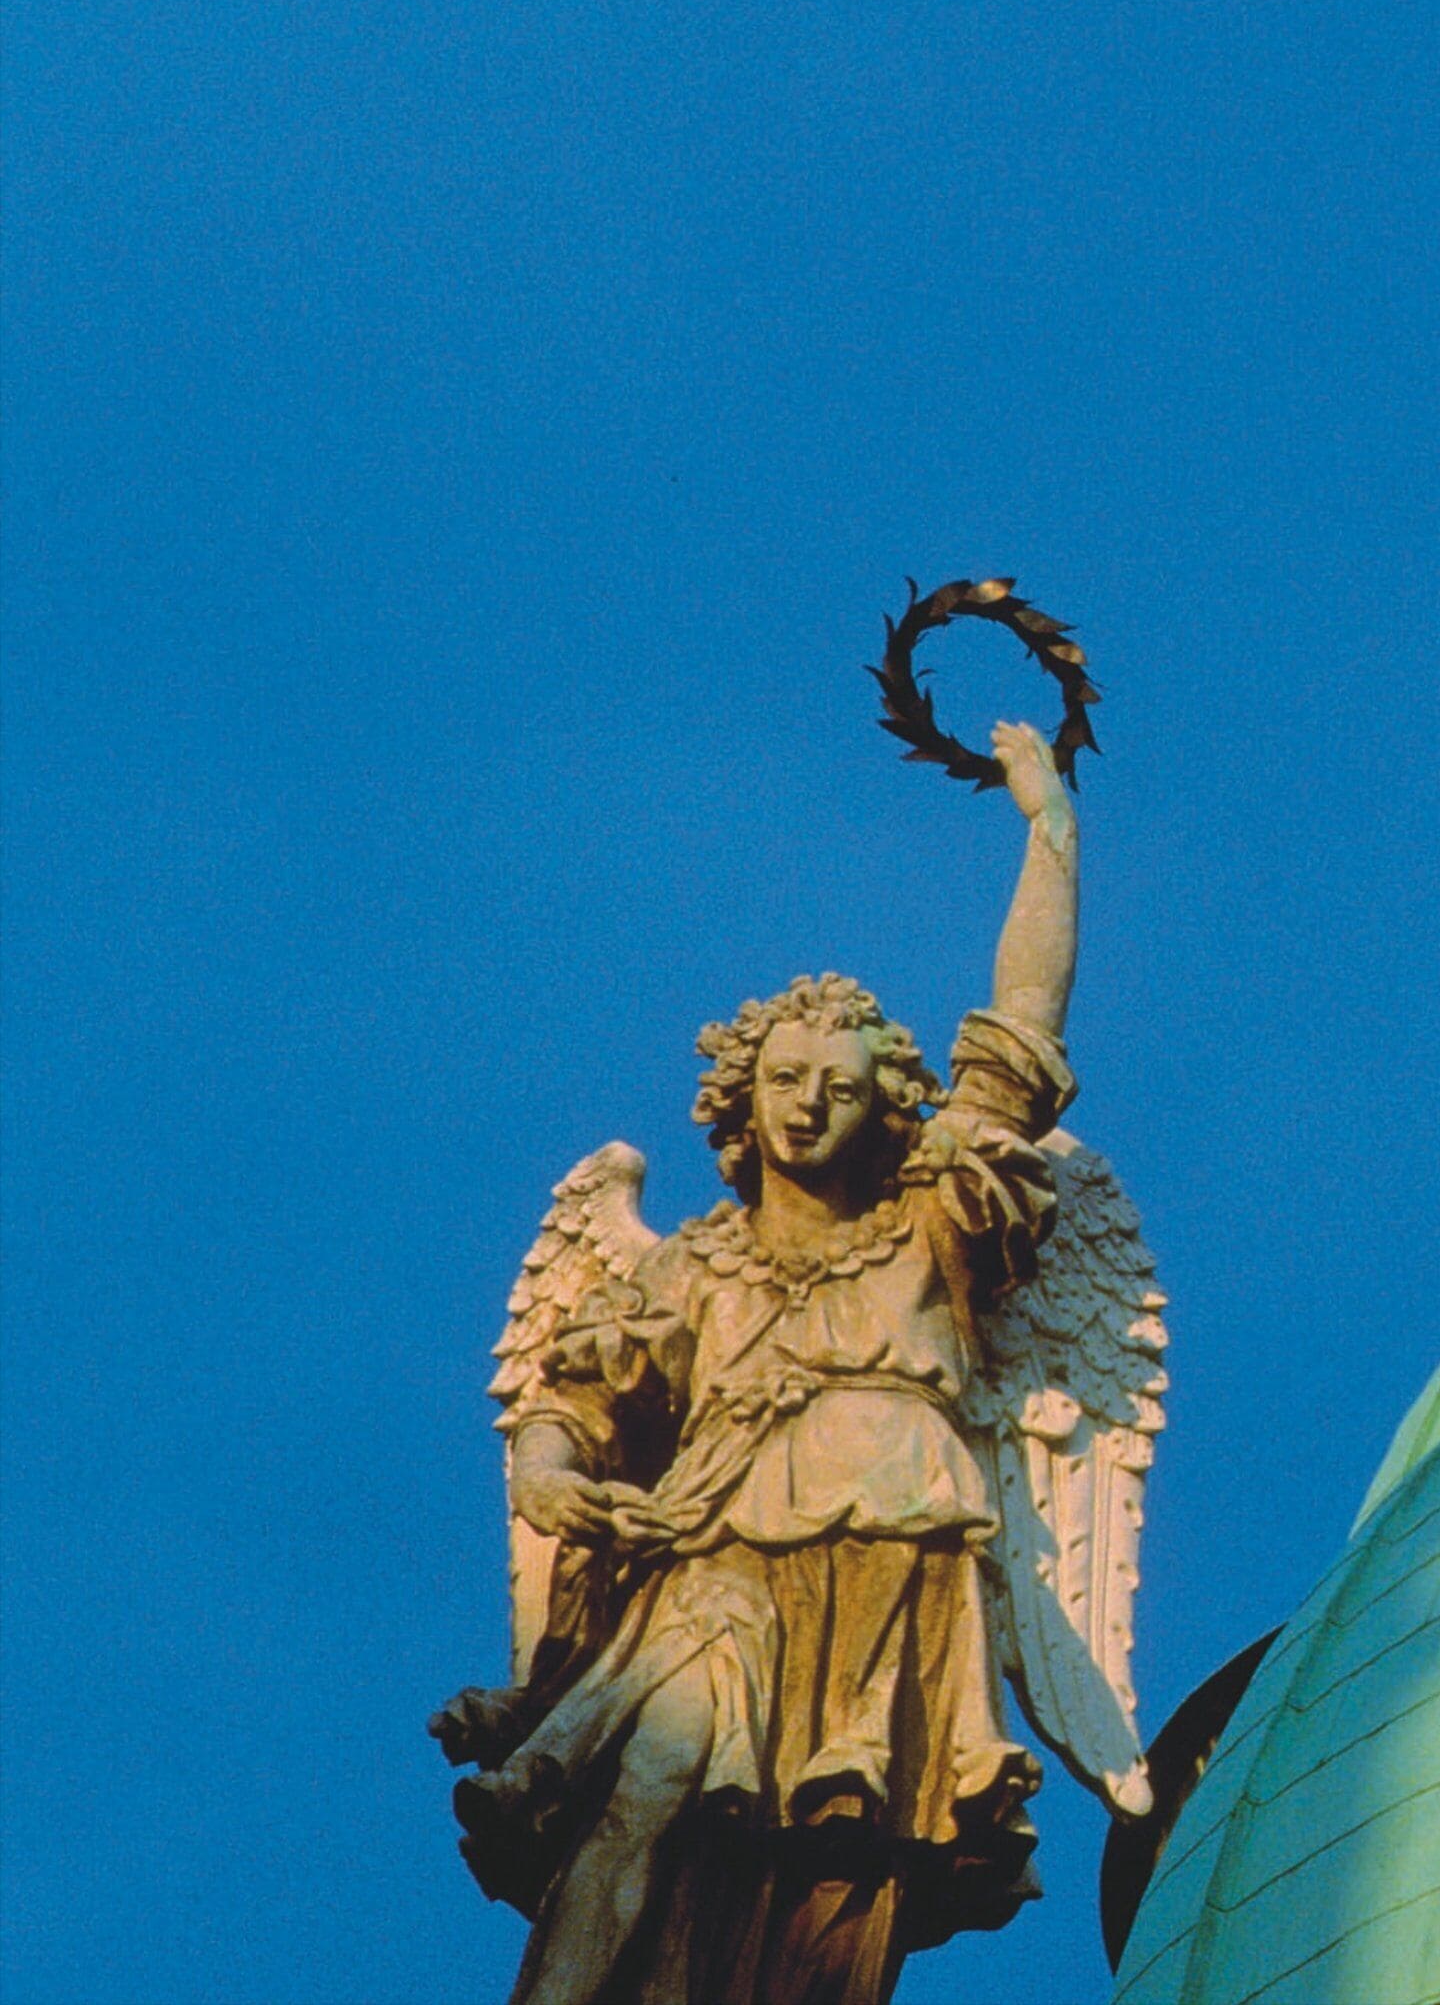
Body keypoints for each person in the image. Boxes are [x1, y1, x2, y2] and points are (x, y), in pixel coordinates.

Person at [443, 721, 1080, 2005]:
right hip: (715, 1567)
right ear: (742, 1101)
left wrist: (1049, 828)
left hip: (888, 1574)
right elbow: (566, 1409)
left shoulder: (932, 1232)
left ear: (883, 1105)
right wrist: (550, 1476)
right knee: (642, 1803)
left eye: (838, 1087)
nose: (805, 1104)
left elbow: (1019, 1035)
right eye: (783, 1080)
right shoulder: (688, 1270)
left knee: (831, 1891)